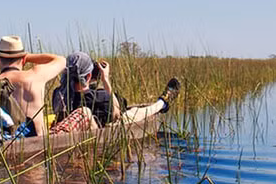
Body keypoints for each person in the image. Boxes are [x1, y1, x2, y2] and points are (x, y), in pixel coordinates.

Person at [51, 51, 180, 133]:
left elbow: (78, 91)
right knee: (132, 113)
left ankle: (162, 103)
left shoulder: (58, 94)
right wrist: (105, 79)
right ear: (89, 76)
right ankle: (161, 103)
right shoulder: (100, 97)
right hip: (99, 131)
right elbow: (117, 113)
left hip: (74, 127)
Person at [0, 35, 66, 137]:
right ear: (23, 60)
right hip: (39, 140)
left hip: (6, 141)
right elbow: (61, 61)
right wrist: (28, 57)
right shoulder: (35, 76)